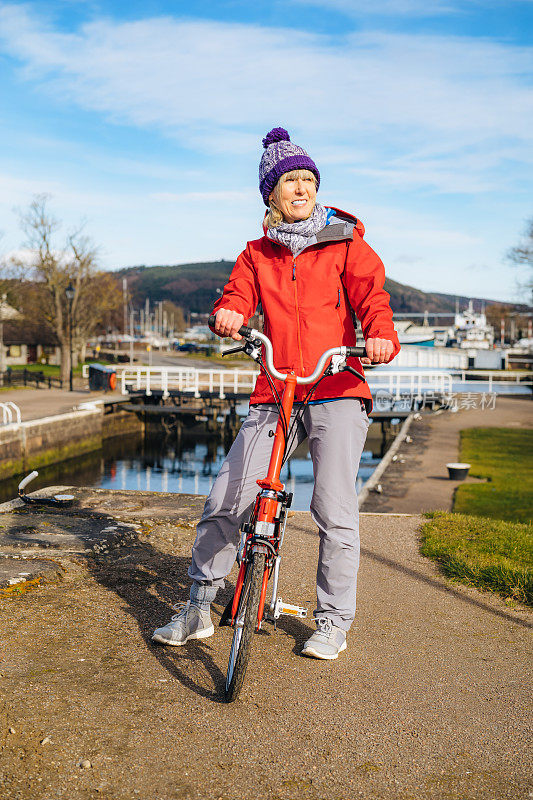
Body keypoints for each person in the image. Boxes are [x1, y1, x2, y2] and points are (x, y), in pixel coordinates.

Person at [152, 127, 400, 660]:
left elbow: (372, 298)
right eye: (291, 180)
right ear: (271, 193)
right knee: (229, 496)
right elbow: (237, 294)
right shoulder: (255, 254)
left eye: (309, 180)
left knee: (333, 508)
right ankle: (199, 602)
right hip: (275, 387)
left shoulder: (346, 245)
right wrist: (232, 314)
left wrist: (379, 334)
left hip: (335, 384)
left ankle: (333, 620)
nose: (302, 189)